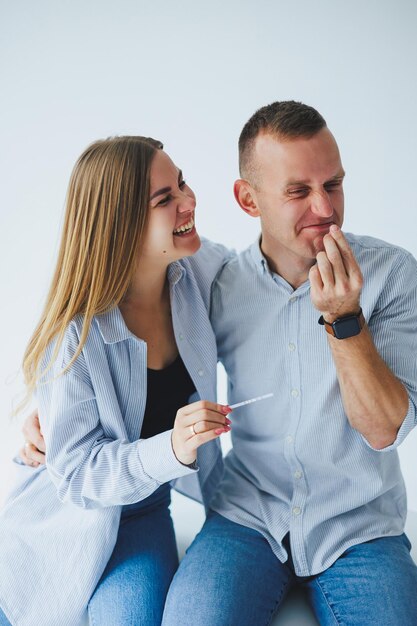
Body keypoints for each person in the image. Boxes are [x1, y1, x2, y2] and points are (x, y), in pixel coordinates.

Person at [160, 101, 417, 625]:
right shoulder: (219, 286)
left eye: (334, 184)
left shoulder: (393, 274)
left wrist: (345, 320)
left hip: (360, 526)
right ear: (247, 199)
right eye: (298, 191)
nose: (325, 208)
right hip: (246, 515)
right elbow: (143, 349)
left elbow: (386, 429)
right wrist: (43, 406)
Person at [0, 136, 233, 626]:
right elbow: (77, 474)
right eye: (164, 199)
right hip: (62, 521)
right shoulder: (74, 336)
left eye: (182, 183)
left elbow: (266, 276)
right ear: (120, 225)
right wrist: (171, 447)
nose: (188, 202)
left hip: (142, 514)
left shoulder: (199, 271)